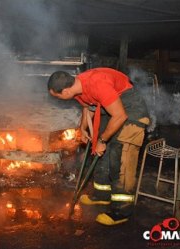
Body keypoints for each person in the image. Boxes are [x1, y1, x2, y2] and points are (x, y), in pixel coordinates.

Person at [48, 68, 150, 226]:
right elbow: (87, 107)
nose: (59, 99)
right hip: (109, 108)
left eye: (58, 96)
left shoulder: (97, 84)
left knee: (120, 158)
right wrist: (83, 128)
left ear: (66, 91)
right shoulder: (78, 87)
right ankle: (102, 195)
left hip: (131, 108)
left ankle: (122, 211)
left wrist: (103, 139)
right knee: (98, 151)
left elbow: (120, 115)